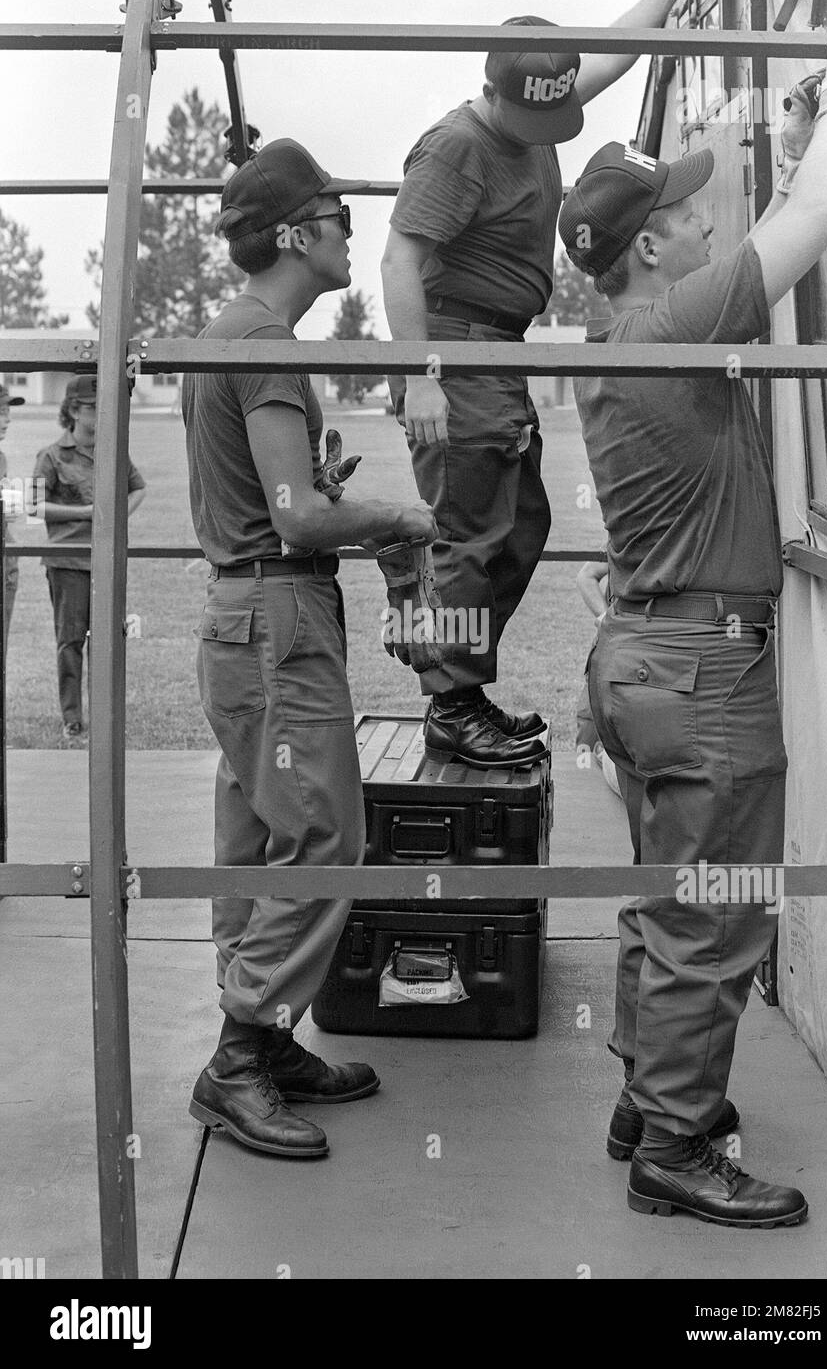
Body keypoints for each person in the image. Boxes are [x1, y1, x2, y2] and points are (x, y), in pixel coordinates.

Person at [560, 30, 827, 1226]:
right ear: (649, 248)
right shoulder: (672, 323)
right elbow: (823, 211)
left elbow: (789, 209)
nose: (706, 221)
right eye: (685, 214)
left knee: (662, 894)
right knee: (716, 909)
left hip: (644, 660)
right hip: (701, 670)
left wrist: (796, 134)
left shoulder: (620, 339)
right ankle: (676, 1149)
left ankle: (649, 1095)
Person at [183, 138, 438, 1159]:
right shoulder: (265, 342)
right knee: (324, 842)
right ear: (295, 233)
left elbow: (277, 499)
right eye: (337, 218)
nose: (350, 235)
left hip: (243, 619)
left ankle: (265, 1036)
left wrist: (328, 501)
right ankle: (240, 1059)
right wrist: (396, 519)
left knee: (257, 840)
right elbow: (294, 517)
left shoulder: (234, 332)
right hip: (276, 618)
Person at [381, 0, 711, 770]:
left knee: (520, 526)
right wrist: (421, 373)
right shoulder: (456, 146)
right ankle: (450, 701)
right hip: (456, 352)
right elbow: (398, 257)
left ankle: (451, 675)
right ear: (493, 87)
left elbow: (619, 48)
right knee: (470, 535)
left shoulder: (535, 109)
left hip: (497, 353)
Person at [31, 375, 146, 740]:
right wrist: (86, 514)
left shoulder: (113, 451)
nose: (99, 414)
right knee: (70, 643)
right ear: (72, 411)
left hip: (105, 561)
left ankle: (104, 718)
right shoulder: (50, 455)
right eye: (91, 408)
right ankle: (72, 719)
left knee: (107, 640)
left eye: (102, 407)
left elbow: (138, 488)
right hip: (66, 563)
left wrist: (113, 518)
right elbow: (34, 506)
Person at [575, 560, 620, 797]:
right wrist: (605, 618)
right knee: (588, 739)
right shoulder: (632, 534)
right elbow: (587, 574)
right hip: (609, 654)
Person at [0, 382, 25, 649]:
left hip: (7, 563)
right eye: (2, 412)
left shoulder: (2, 458)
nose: (8, 420)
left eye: (8, 412)